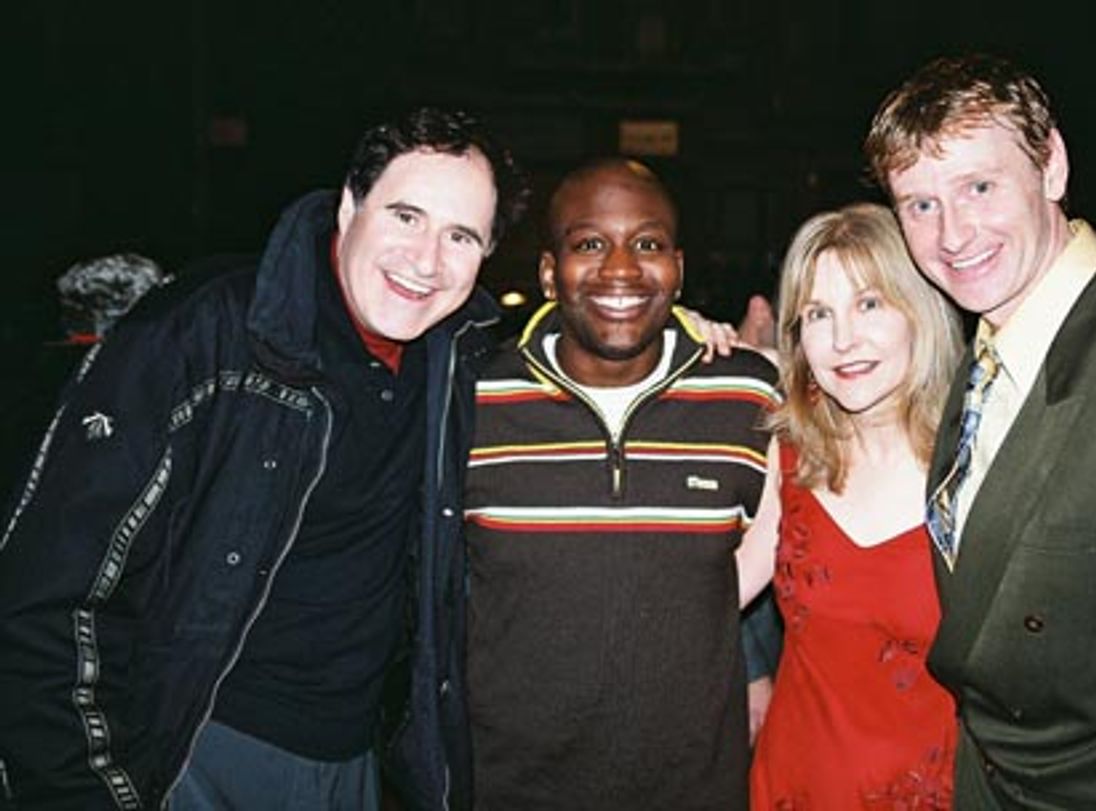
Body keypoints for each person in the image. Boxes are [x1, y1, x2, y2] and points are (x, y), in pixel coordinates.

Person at [0, 107, 528, 811]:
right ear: (350, 204)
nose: (427, 259)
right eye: (406, 216)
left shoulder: (459, 362)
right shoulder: (202, 332)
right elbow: (44, 595)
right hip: (185, 749)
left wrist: (700, 336)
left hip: (355, 764)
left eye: (460, 235)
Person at [864, 53, 1096, 809]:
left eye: (979, 187)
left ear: (1051, 167)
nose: (952, 234)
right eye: (919, 205)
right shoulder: (988, 345)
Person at [463, 158, 780, 810]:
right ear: (550, 272)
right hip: (507, 789)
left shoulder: (748, 395)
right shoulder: (470, 402)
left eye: (647, 243)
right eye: (589, 244)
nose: (621, 268)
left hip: (696, 790)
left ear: (679, 268)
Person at [737, 202, 963, 809]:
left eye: (869, 303)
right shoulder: (788, 459)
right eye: (818, 313)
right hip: (791, 786)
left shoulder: (979, 467)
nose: (842, 340)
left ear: (919, 309)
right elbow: (706, 598)